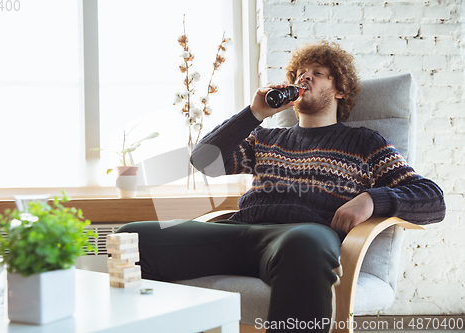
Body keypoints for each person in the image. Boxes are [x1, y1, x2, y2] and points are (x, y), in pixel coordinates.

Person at [116, 40, 445, 332]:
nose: (305, 78)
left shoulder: (364, 142)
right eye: (300, 73)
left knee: (305, 241)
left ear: (340, 89)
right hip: (238, 233)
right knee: (131, 238)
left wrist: (372, 199)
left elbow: (431, 198)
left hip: (300, 239)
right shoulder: (265, 137)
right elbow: (202, 160)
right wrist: (254, 112)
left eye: (316, 72)